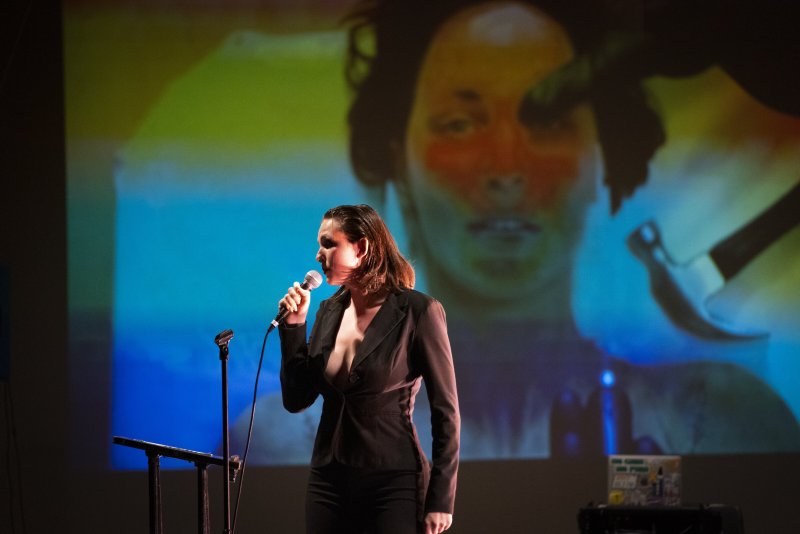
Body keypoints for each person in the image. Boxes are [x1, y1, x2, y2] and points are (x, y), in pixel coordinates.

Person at [343, 0, 800, 457]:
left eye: (549, 123)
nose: (506, 168)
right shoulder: (298, 439)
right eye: (459, 124)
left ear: (602, 158)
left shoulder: (719, 421)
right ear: (400, 163)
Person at [276, 204, 460, 534]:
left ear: (361, 248)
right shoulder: (328, 311)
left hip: (393, 481)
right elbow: (296, 399)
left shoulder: (418, 311)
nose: (319, 255)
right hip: (328, 481)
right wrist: (294, 327)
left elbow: (446, 411)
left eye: (329, 244)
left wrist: (441, 499)